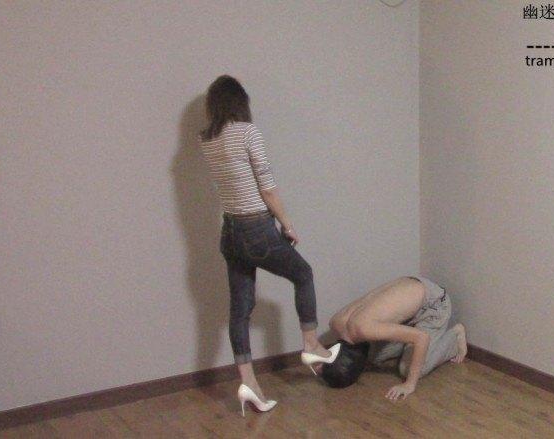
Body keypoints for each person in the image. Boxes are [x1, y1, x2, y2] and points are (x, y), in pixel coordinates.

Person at [198, 75, 338, 415]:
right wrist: (287, 224)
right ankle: (311, 345)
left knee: (240, 310)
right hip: (256, 228)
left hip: (230, 233)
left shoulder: (207, 139)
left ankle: (249, 384)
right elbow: (267, 188)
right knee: (303, 274)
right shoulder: (248, 132)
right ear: (240, 102)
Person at [320, 276, 468, 400]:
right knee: (376, 358)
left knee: (407, 370)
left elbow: (422, 338)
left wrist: (409, 385)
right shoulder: (336, 322)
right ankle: (407, 338)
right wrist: (328, 364)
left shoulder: (365, 329)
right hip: (414, 296)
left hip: (434, 305)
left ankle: (455, 336)